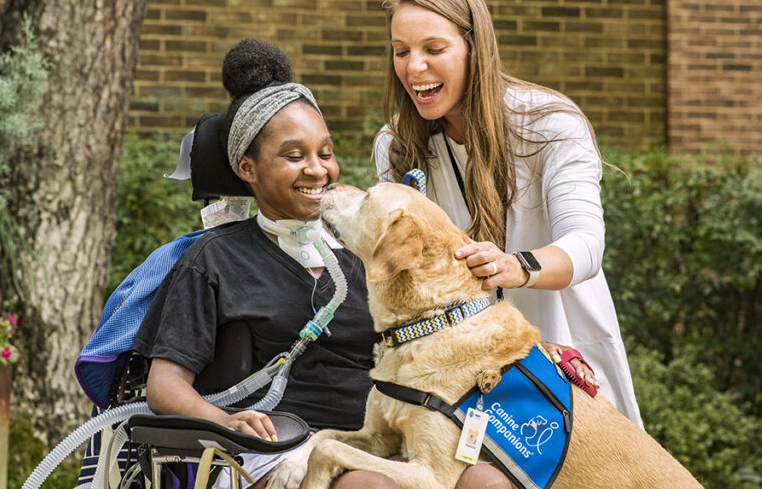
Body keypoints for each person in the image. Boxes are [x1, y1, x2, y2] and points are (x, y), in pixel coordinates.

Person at [133, 39, 508, 489]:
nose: (318, 170)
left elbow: (440, 342)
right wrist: (224, 421)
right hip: (273, 449)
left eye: (325, 153)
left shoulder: (367, 255)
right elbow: (164, 385)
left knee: (487, 480)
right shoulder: (213, 259)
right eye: (294, 157)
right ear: (248, 168)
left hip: (379, 439)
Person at [374, 0, 643, 427]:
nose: (414, 67)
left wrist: (519, 266)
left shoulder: (550, 124)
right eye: (401, 51)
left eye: (434, 49)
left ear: (474, 48)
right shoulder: (396, 144)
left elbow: (586, 244)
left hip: (563, 365)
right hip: (457, 378)